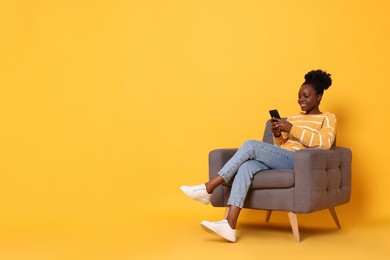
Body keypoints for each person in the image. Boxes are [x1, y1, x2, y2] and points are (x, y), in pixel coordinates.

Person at [180, 70, 336, 242]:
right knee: (247, 166)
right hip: (284, 157)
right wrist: (278, 135)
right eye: (299, 96)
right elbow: (282, 147)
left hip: (300, 162)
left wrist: (291, 128)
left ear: (319, 97)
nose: (301, 100)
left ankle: (209, 188)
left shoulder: (328, 118)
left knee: (251, 145)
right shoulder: (293, 118)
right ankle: (230, 224)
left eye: (306, 96)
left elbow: (325, 142)